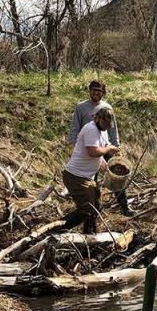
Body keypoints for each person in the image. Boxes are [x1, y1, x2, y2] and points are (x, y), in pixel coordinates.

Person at [66, 80, 131, 215]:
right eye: (94, 90)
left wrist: (116, 147)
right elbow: (74, 128)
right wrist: (74, 147)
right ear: (89, 91)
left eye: (99, 90)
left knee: (116, 177)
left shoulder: (107, 108)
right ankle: (91, 208)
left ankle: (124, 207)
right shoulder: (81, 107)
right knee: (91, 181)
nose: (96, 93)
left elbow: (113, 129)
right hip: (89, 149)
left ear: (103, 92)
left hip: (105, 147)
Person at [62, 107, 118, 234]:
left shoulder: (102, 130)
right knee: (86, 210)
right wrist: (108, 149)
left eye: (108, 125)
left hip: (87, 177)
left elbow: (100, 150)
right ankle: (54, 231)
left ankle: (89, 234)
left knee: (95, 206)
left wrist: (104, 163)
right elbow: (93, 152)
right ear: (97, 118)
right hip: (76, 176)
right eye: (104, 124)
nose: (106, 127)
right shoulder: (91, 128)